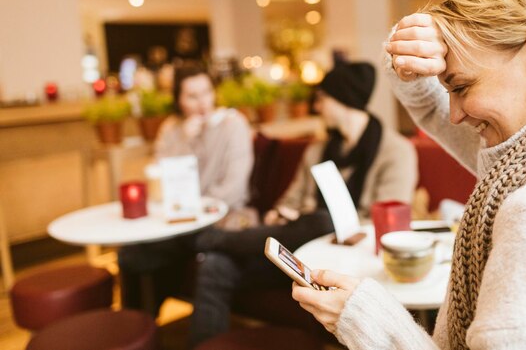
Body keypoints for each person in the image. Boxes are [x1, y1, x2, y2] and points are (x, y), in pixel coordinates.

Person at [293, 0, 526, 350]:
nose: (453, 115)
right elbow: (428, 105)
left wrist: (367, 320)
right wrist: (413, 47)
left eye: (463, 86)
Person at [188, 61, 418, 346]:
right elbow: (290, 199)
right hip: (295, 253)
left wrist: (319, 222)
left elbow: (387, 219)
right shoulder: (317, 150)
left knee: (323, 221)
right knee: (215, 265)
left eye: (321, 98)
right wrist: (281, 213)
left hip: (343, 257)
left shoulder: (396, 151)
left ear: (342, 99)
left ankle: (211, 238)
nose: (317, 107)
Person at [118, 63, 254, 316]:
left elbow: (233, 189)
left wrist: (196, 206)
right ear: (179, 100)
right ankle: (137, 331)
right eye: (192, 96)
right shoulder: (171, 129)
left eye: (206, 92)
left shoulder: (233, 124)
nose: (202, 102)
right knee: (130, 255)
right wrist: (184, 141)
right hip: (181, 222)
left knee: (201, 250)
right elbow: (160, 183)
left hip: (222, 220)